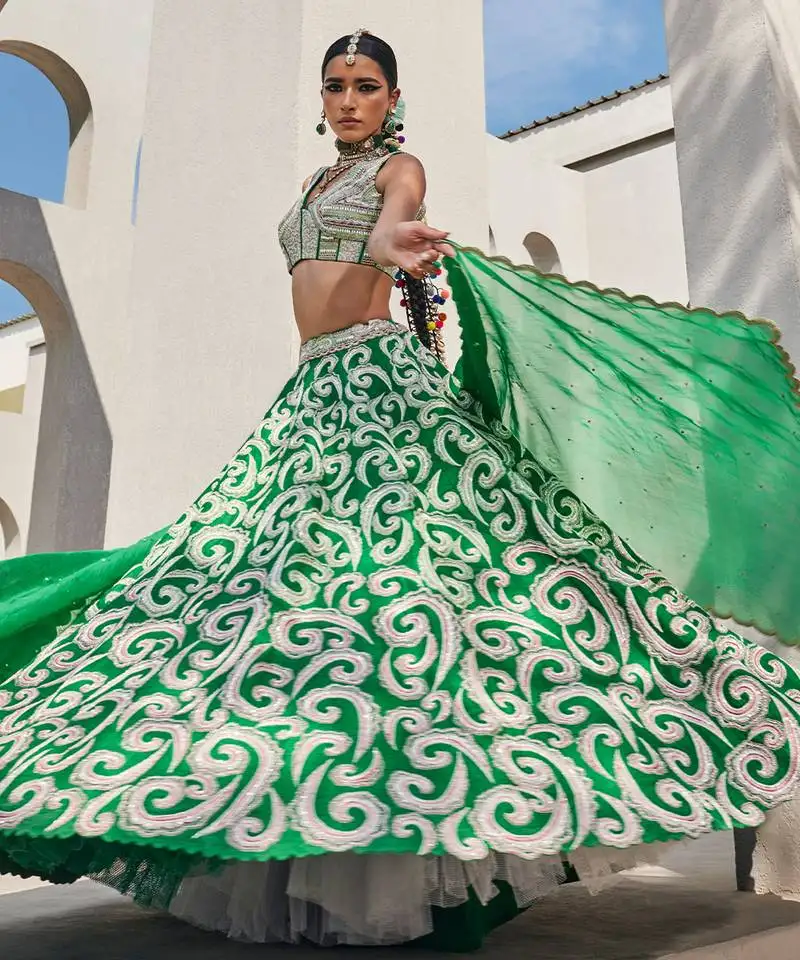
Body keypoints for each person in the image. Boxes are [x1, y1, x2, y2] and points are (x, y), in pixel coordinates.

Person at [2, 27, 800, 952]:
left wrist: (398, 241)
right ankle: (290, 820)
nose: (348, 99)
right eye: (336, 85)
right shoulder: (308, 186)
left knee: (400, 597)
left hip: (379, 389)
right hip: (309, 392)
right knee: (253, 594)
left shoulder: (399, 170)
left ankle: (419, 835)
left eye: (367, 85)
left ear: (392, 98)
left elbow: (394, 221)